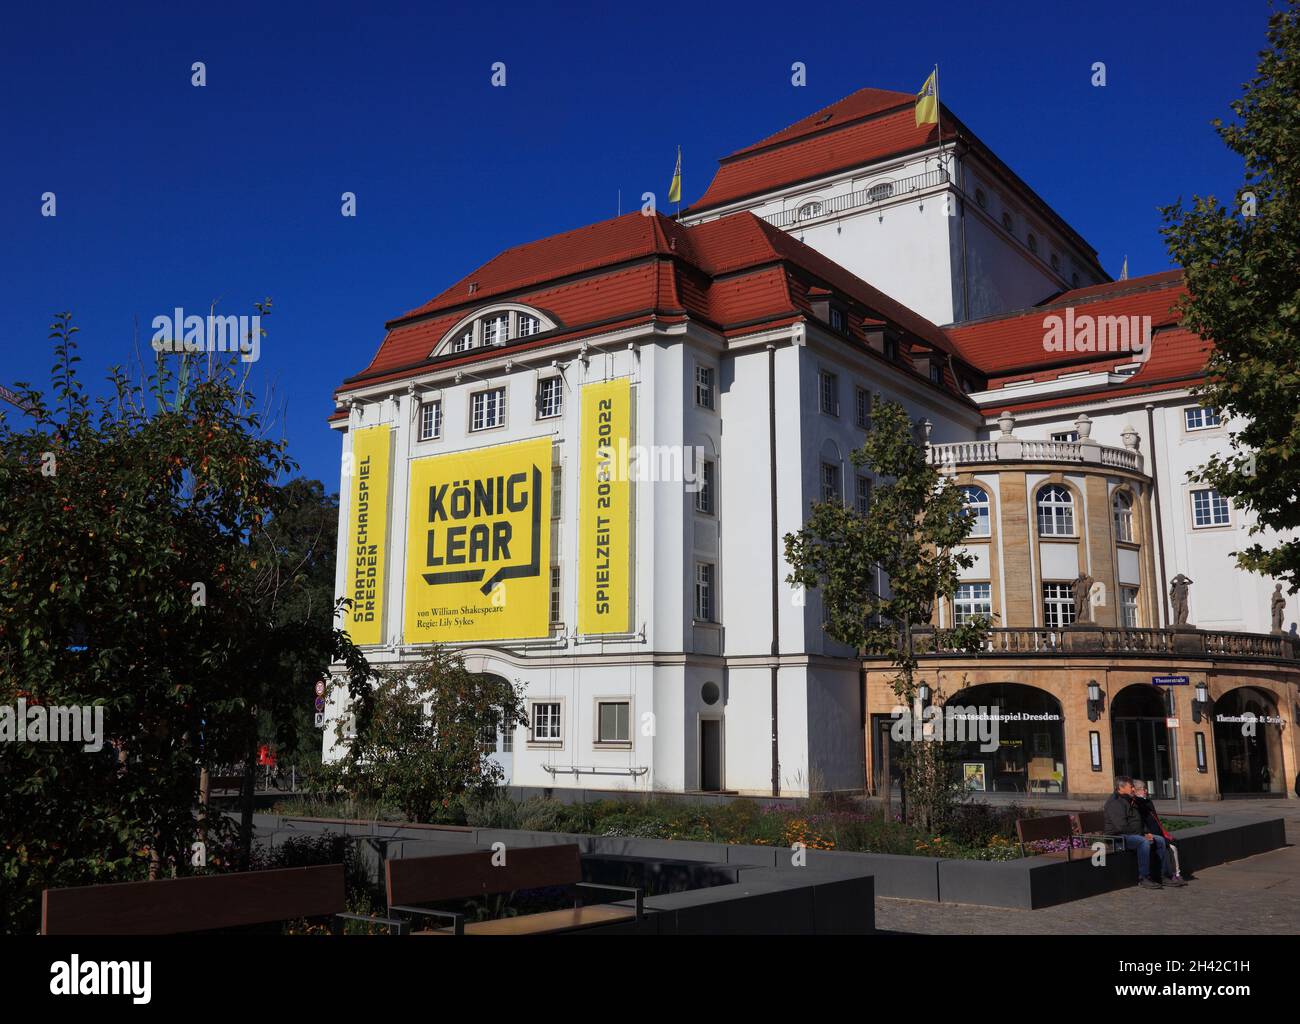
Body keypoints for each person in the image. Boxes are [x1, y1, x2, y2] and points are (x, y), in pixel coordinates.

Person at [1103, 775, 1183, 889]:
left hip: (1133, 834)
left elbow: (1139, 821)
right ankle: (1144, 877)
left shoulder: (1130, 800)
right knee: (1143, 842)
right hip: (1117, 838)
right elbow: (1121, 827)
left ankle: (1162, 876)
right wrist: (1142, 835)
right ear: (1121, 788)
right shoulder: (1115, 802)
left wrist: (1146, 832)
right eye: (1131, 787)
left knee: (1160, 840)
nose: (1133, 789)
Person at [1132, 781, 1186, 884]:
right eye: (1144, 789)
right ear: (1137, 791)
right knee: (1167, 846)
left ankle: (1177, 874)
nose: (1146, 791)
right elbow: (1143, 823)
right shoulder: (1138, 803)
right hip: (1149, 834)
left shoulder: (1147, 801)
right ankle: (1170, 875)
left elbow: (1155, 821)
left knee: (1173, 847)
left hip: (1157, 832)